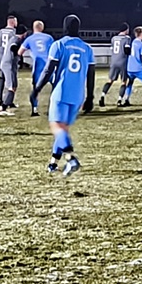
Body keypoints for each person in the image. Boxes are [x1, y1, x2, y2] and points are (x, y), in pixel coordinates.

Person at [32, 14, 95, 177]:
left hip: (61, 92)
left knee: (56, 127)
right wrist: (90, 97)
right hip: (78, 96)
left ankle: (71, 159)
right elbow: (91, 75)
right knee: (63, 130)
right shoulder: (87, 48)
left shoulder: (59, 45)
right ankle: (53, 163)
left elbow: (48, 70)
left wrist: (37, 89)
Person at [18, 20, 55, 116]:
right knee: (55, 86)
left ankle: (34, 109)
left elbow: (20, 52)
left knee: (36, 88)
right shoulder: (49, 38)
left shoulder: (29, 39)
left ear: (33, 28)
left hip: (38, 65)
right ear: (42, 28)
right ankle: (53, 108)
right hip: (49, 65)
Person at [99, 23, 132, 107]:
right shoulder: (127, 38)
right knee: (124, 82)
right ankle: (119, 100)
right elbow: (127, 50)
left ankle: (102, 96)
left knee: (110, 80)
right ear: (126, 30)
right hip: (122, 61)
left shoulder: (113, 38)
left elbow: (112, 49)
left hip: (114, 61)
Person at [0, 13, 20, 116]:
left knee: (1, 78)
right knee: (12, 81)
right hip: (10, 59)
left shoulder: (0, 32)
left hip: (1, 58)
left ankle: (0, 100)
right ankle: (6, 102)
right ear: (13, 22)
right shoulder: (14, 33)